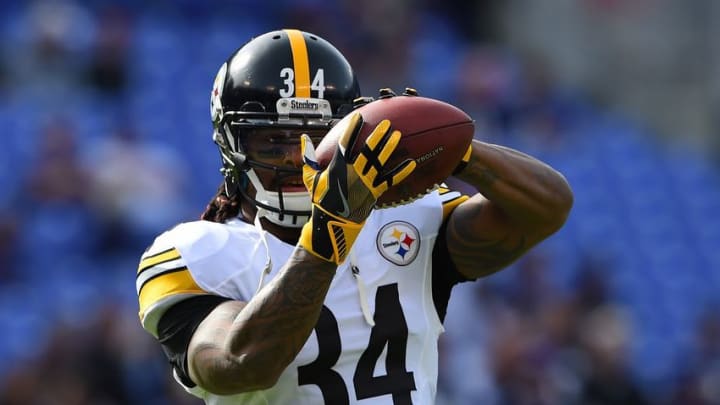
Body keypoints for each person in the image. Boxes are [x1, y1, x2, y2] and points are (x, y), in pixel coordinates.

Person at [135, 28, 573, 404]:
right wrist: (328, 237)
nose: (297, 157)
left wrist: (453, 152)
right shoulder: (195, 253)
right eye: (273, 141)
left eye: (317, 137)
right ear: (233, 146)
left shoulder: (407, 218)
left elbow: (547, 209)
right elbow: (241, 363)